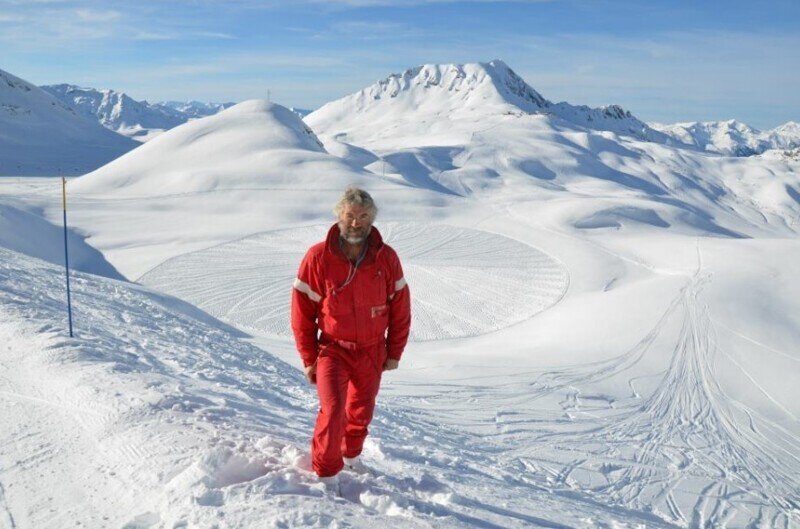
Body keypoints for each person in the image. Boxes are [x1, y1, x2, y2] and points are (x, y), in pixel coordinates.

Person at [291, 186, 411, 479]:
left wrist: (394, 352)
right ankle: (327, 473)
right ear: (339, 216)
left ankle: (350, 457)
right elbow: (302, 313)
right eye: (350, 215)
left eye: (363, 216)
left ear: (372, 219)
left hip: (372, 350)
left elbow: (400, 308)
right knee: (333, 412)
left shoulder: (386, 258)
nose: (356, 222)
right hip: (333, 349)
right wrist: (309, 358)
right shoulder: (318, 257)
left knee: (361, 411)